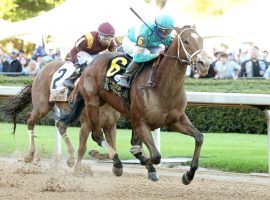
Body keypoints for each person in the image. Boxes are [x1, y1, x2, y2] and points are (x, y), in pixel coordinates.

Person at [117, 14, 175, 88]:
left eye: (169, 31)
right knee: (146, 53)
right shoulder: (144, 34)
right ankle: (124, 77)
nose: (166, 34)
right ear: (158, 28)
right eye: (165, 31)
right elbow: (138, 57)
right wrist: (155, 54)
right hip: (131, 42)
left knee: (161, 49)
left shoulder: (167, 35)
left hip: (148, 44)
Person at [63, 22, 118, 89]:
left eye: (109, 39)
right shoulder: (88, 38)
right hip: (81, 52)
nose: (106, 42)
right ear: (98, 35)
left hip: (93, 54)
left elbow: (114, 56)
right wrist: (77, 63)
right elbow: (73, 51)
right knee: (85, 63)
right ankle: (69, 79)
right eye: (104, 38)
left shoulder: (111, 42)